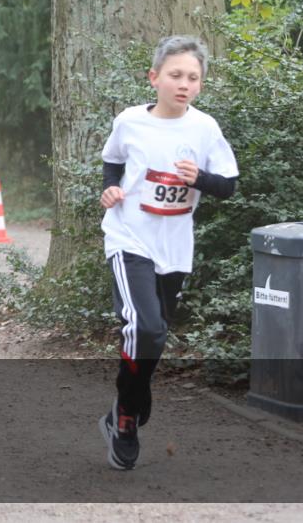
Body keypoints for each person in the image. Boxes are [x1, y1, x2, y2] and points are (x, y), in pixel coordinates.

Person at [98, 35, 238, 470]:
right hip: (129, 237)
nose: (184, 84)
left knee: (155, 335)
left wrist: (198, 179)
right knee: (145, 326)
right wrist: (111, 188)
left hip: (174, 246)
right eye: (176, 75)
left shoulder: (205, 128)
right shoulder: (130, 121)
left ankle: (129, 398)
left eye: (193, 78)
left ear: (200, 85)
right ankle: (126, 417)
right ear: (154, 78)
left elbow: (229, 186)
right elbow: (112, 160)